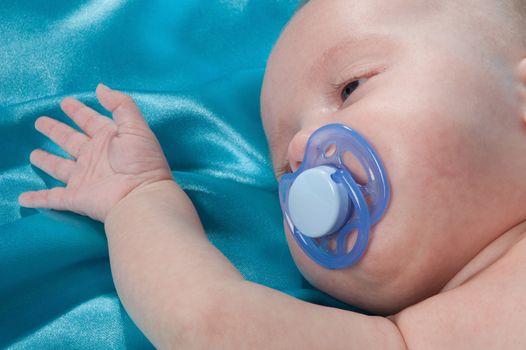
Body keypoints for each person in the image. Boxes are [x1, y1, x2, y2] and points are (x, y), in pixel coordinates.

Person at [18, 0, 526, 348]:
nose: (305, 151)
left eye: (350, 87)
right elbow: (212, 324)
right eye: (284, 165)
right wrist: (138, 201)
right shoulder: (417, 337)